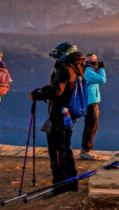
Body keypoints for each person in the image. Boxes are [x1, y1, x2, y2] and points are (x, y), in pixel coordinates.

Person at [30, 42, 85, 198]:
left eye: (57, 56)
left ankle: (59, 185)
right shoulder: (77, 67)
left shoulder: (64, 68)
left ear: (63, 55)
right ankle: (71, 183)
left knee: (56, 151)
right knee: (65, 148)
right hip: (68, 114)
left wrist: (39, 94)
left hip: (58, 116)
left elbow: (57, 91)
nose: (55, 59)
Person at [80, 53, 106, 160]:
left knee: (92, 126)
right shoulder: (88, 73)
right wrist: (101, 69)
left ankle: (86, 149)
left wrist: (98, 68)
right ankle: (85, 150)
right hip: (91, 104)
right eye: (95, 63)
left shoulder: (89, 72)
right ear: (90, 63)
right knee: (91, 126)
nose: (97, 64)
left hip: (92, 103)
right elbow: (102, 80)